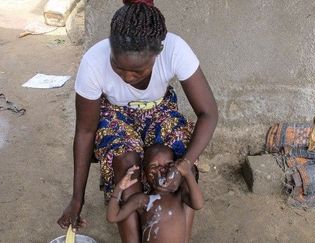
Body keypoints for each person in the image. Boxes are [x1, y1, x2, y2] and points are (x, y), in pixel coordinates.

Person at [57, 0, 218, 242]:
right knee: (126, 163)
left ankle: (180, 237)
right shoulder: (93, 62)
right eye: (118, 67)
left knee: (181, 160)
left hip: (159, 110)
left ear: (157, 54)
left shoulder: (174, 49)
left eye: (138, 71)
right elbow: (85, 131)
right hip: (115, 114)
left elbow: (209, 113)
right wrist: (76, 199)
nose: (127, 77)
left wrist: (184, 164)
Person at [106, 145, 204, 243]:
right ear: (144, 176)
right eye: (154, 166)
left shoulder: (179, 196)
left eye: (169, 165)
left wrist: (187, 173)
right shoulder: (142, 200)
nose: (162, 169)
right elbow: (113, 217)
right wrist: (119, 189)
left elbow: (198, 204)